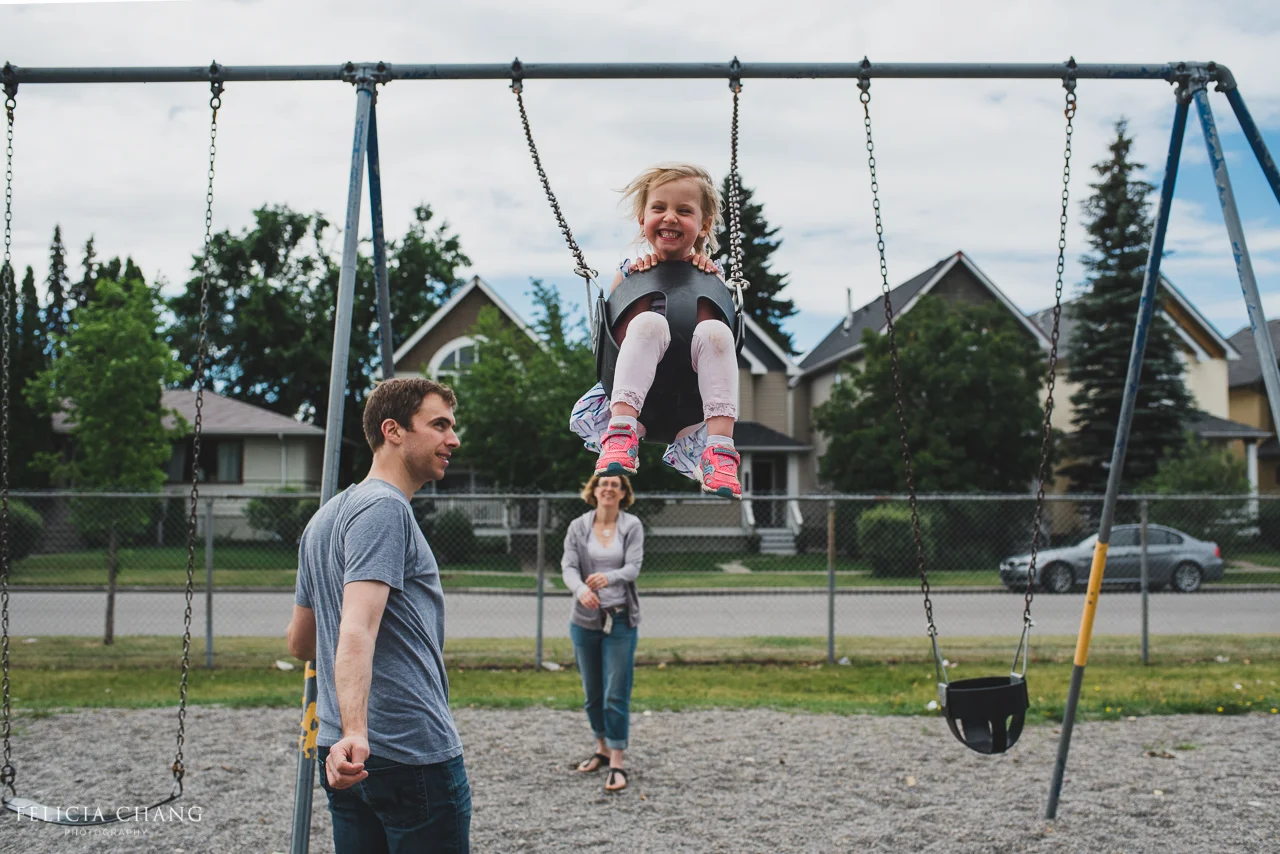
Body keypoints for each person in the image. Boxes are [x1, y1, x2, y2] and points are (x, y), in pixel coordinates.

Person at [286, 377, 470, 853]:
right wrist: (356, 732)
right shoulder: (385, 509)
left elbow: (301, 643)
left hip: (342, 753)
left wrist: (346, 736)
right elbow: (358, 627)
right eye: (439, 425)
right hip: (403, 750)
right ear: (393, 430)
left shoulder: (323, 519)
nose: (453, 439)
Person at [569, 162, 742, 499]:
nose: (670, 217)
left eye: (684, 210)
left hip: (691, 401)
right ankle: (620, 433)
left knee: (716, 332)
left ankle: (720, 451)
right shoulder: (631, 273)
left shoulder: (713, 277)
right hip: (637, 402)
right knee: (648, 322)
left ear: (704, 224)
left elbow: (723, 322)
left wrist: (711, 273)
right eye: (659, 208)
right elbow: (614, 320)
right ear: (642, 219)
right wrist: (633, 277)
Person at [561, 473, 644, 793]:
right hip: (585, 620)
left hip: (620, 620)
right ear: (593, 490)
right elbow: (568, 566)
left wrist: (607, 578)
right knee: (592, 692)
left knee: (615, 691)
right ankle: (601, 747)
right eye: (603, 484)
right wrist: (581, 589)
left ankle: (617, 762)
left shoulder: (631, 526)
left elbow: (633, 568)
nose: (608, 488)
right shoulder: (578, 527)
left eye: (615, 485)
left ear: (624, 493)